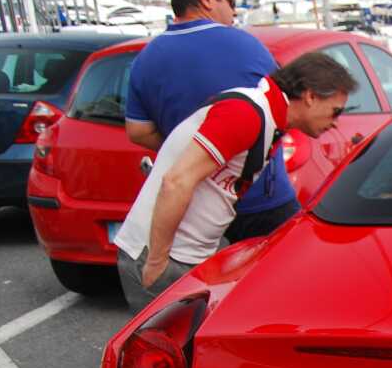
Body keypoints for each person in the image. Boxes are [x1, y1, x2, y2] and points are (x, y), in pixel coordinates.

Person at [115, 53, 357, 310]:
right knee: (161, 349)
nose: (335, 123)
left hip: (184, 256)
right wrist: (156, 261)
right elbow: (176, 182)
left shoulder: (265, 116)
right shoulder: (246, 113)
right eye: (335, 111)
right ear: (310, 96)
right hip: (164, 255)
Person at [124, 0, 300, 244]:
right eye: (230, 1)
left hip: (193, 206)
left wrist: (194, 151)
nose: (234, 11)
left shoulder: (145, 59)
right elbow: (285, 110)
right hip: (259, 201)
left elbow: (138, 131)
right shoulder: (247, 47)